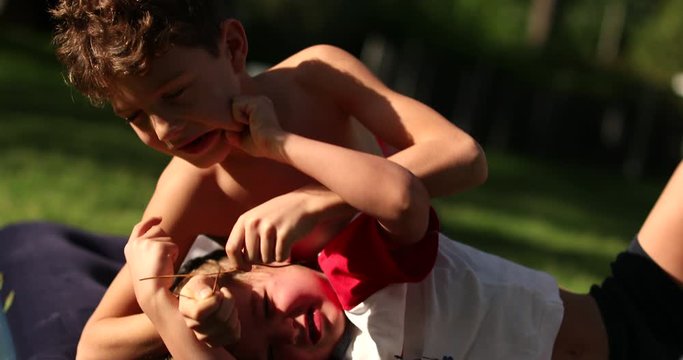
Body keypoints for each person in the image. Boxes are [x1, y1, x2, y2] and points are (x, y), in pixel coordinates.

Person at [48, 0, 487, 358]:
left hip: (435, 285)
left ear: (234, 47)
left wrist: (313, 200)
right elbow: (96, 346)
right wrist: (191, 310)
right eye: (136, 116)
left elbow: (463, 156)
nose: (165, 130)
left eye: (176, 94)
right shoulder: (192, 187)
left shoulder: (315, 81)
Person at [127, 95, 683, 359]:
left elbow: (401, 198)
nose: (286, 333)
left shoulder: (355, 277)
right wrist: (161, 311)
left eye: (268, 309)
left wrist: (281, 149)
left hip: (632, 318)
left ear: (273, 263)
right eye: (274, 357)